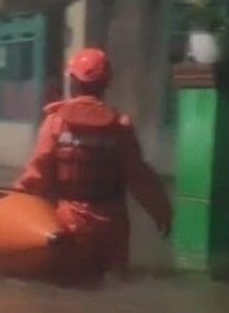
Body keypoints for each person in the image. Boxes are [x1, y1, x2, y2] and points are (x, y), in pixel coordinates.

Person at [15, 48, 173, 276]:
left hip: (71, 222)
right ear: (106, 83)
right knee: (114, 283)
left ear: (73, 82)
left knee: (72, 283)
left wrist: (13, 202)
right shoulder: (120, 125)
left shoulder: (55, 122)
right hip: (113, 226)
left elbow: (37, 174)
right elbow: (139, 177)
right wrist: (161, 210)